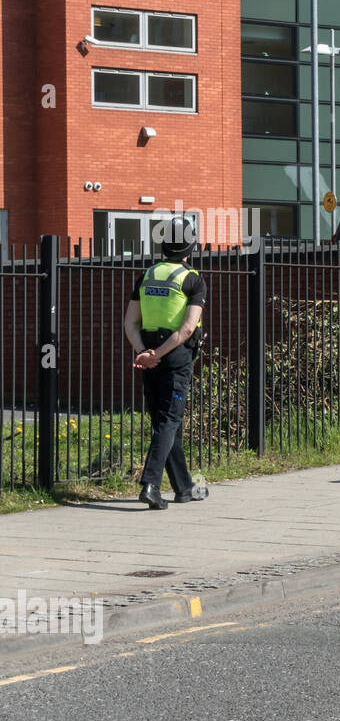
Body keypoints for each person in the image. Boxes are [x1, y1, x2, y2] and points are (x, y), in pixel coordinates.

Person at [121, 217, 208, 509]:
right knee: (170, 421)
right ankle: (150, 485)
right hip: (174, 357)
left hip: (148, 356)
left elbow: (129, 323)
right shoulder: (193, 279)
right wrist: (158, 353)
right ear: (190, 247)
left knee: (163, 423)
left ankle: (184, 488)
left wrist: (144, 352)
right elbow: (186, 329)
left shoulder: (147, 275)